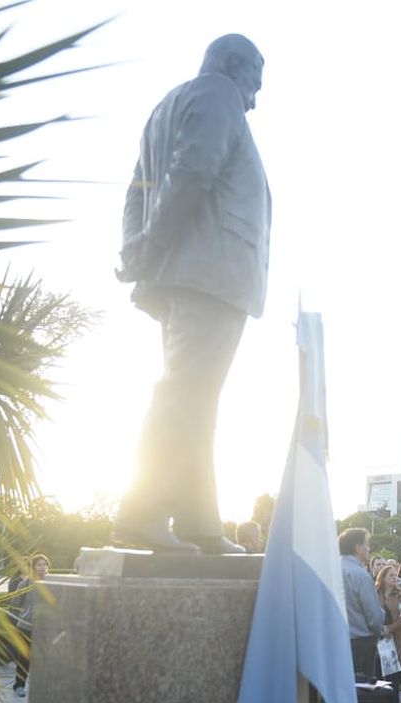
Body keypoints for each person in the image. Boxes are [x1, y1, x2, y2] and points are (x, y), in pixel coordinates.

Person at [113, 34, 270, 555]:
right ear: (232, 66)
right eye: (253, 81)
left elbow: (136, 190)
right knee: (184, 395)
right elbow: (194, 169)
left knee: (197, 399)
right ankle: (142, 512)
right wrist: (152, 243)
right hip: (210, 271)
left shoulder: (168, 105)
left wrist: (137, 247)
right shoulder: (217, 95)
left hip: (184, 273)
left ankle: (200, 524)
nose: (253, 98)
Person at [339, 528, 383, 681]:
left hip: (335, 641)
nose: (369, 548)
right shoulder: (360, 574)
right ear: (358, 548)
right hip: (360, 643)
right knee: (362, 694)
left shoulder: (331, 570)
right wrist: (379, 630)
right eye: (367, 544)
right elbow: (374, 615)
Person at [9, 553, 49, 696]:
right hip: (26, 626)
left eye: (44, 564)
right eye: (39, 565)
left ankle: (43, 687)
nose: (42, 567)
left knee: (45, 658)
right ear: (33, 567)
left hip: (46, 628)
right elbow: (14, 604)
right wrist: (24, 615)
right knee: (25, 658)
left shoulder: (53, 583)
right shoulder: (26, 583)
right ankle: (19, 685)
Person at [377, 564, 401, 703]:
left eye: (395, 575)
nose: (394, 577)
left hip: (394, 641)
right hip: (376, 641)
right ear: (383, 577)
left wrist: (389, 629)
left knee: (393, 679)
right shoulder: (374, 592)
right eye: (390, 575)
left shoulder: (400, 594)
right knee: (378, 677)